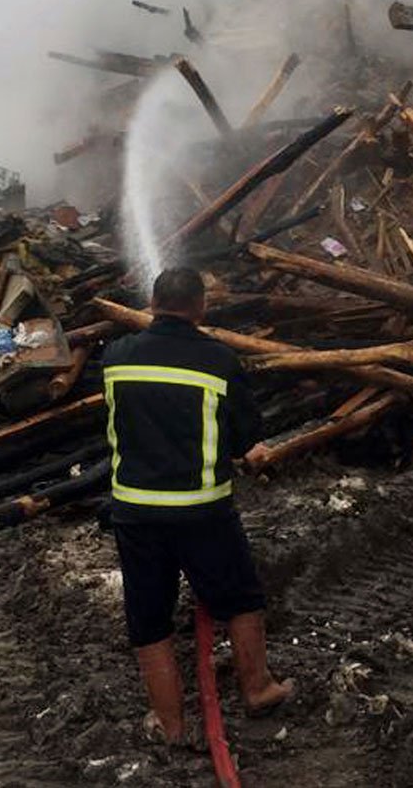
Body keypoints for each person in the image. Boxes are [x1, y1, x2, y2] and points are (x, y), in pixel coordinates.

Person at [102, 266, 293, 744]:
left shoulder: (116, 357)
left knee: (149, 619)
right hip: (203, 510)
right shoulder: (220, 361)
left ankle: (169, 724)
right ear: (201, 307)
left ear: (152, 303)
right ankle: (259, 689)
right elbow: (244, 438)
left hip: (136, 511)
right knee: (242, 599)